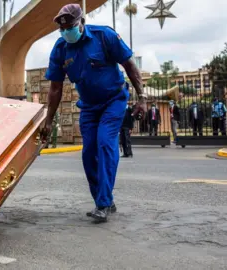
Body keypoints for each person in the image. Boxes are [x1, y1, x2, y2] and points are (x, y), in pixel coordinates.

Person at [40, 4, 146, 223]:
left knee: (105, 143)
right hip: (88, 106)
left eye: (70, 26)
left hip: (114, 100)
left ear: (81, 23)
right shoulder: (60, 49)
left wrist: (142, 97)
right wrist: (48, 120)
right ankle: (103, 197)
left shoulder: (104, 36)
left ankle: (103, 203)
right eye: (63, 28)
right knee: (88, 153)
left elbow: (130, 66)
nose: (66, 31)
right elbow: (55, 88)